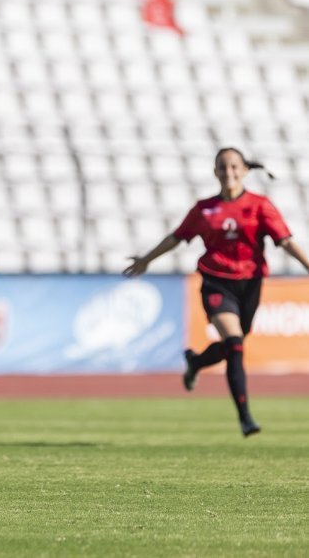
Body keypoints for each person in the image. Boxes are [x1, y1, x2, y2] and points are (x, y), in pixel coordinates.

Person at [124, 147, 309, 436]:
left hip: (249, 283)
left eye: (234, 167)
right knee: (235, 343)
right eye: (223, 167)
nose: (229, 172)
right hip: (216, 281)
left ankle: (196, 362)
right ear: (215, 172)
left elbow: (285, 241)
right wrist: (146, 260)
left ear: (245, 170)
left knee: (232, 343)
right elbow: (176, 237)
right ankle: (245, 417)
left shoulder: (260, 205)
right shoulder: (204, 209)